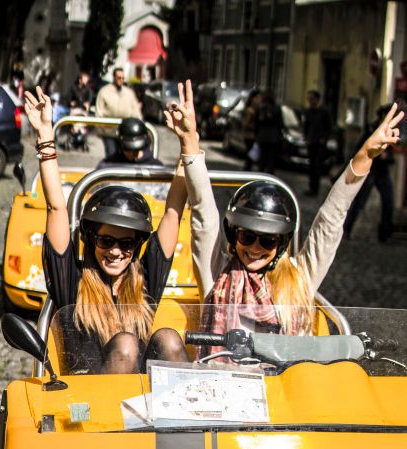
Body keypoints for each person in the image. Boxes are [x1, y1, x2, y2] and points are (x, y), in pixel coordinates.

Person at [165, 81, 403, 336]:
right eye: (247, 237)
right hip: (222, 374)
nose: (256, 248)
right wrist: (189, 142)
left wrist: (365, 156)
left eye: (267, 241)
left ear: (281, 243)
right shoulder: (216, 274)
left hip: (286, 377)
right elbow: (204, 216)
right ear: (235, 236)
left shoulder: (299, 280)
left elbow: (331, 219)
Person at [24, 85, 189, 375]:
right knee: (126, 345)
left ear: (136, 247)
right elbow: (57, 209)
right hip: (88, 412)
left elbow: (173, 213)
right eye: (106, 240)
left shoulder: (144, 280)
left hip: (140, 412)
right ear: (90, 238)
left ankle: (189, 416)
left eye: (126, 244)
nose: (115, 251)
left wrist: (189, 143)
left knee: (169, 339)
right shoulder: (72, 284)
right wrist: (46, 138)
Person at [344, 104, 395, 242]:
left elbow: (392, 155)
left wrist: (388, 158)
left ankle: (385, 234)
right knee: (359, 201)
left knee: (389, 202)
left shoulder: (392, 130)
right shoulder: (372, 129)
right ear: (382, 115)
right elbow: (360, 148)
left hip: (382, 171)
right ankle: (346, 230)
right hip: (370, 170)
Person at [95, 68, 143, 157]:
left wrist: (139, 126)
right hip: (109, 131)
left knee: (124, 156)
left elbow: (136, 111)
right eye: (119, 77)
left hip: (126, 131)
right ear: (114, 77)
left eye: (123, 78)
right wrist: (100, 130)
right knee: (111, 154)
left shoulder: (129, 93)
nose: (121, 80)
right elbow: (99, 112)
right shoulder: (104, 92)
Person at [96, 118, 163, 169]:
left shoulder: (156, 167)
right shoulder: (108, 166)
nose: (132, 153)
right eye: (127, 149)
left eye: (137, 149)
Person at [303, 90, 332, 196]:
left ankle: (315, 189)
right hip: (311, 142)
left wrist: (324, 139)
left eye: (311, 99)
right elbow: (306, 125)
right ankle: (311, 188)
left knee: (317, 166)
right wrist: (306, 137)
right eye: (308, 99)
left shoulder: (324, 111)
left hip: (319, 143)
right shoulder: (308, 111)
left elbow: (328, 128)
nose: (309, 101)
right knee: (311, 166)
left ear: (317, 99)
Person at [255, 88, 284, 174]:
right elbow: (280, 123)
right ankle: (267, 175)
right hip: (270, 136)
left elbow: (257, 122)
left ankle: (262, 174)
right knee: (269, 159)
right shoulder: (274, 108)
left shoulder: (263, 107)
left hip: (266, 136)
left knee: (264, 159)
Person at [242, 89, 261, 171]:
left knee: (251, 158)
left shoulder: (256, 110)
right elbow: (245, 124)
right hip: (249, 136)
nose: (259, 100)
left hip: (253, 136)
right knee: (249, 158)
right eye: (257, 98)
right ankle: (246, 173)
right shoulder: (250, 110)